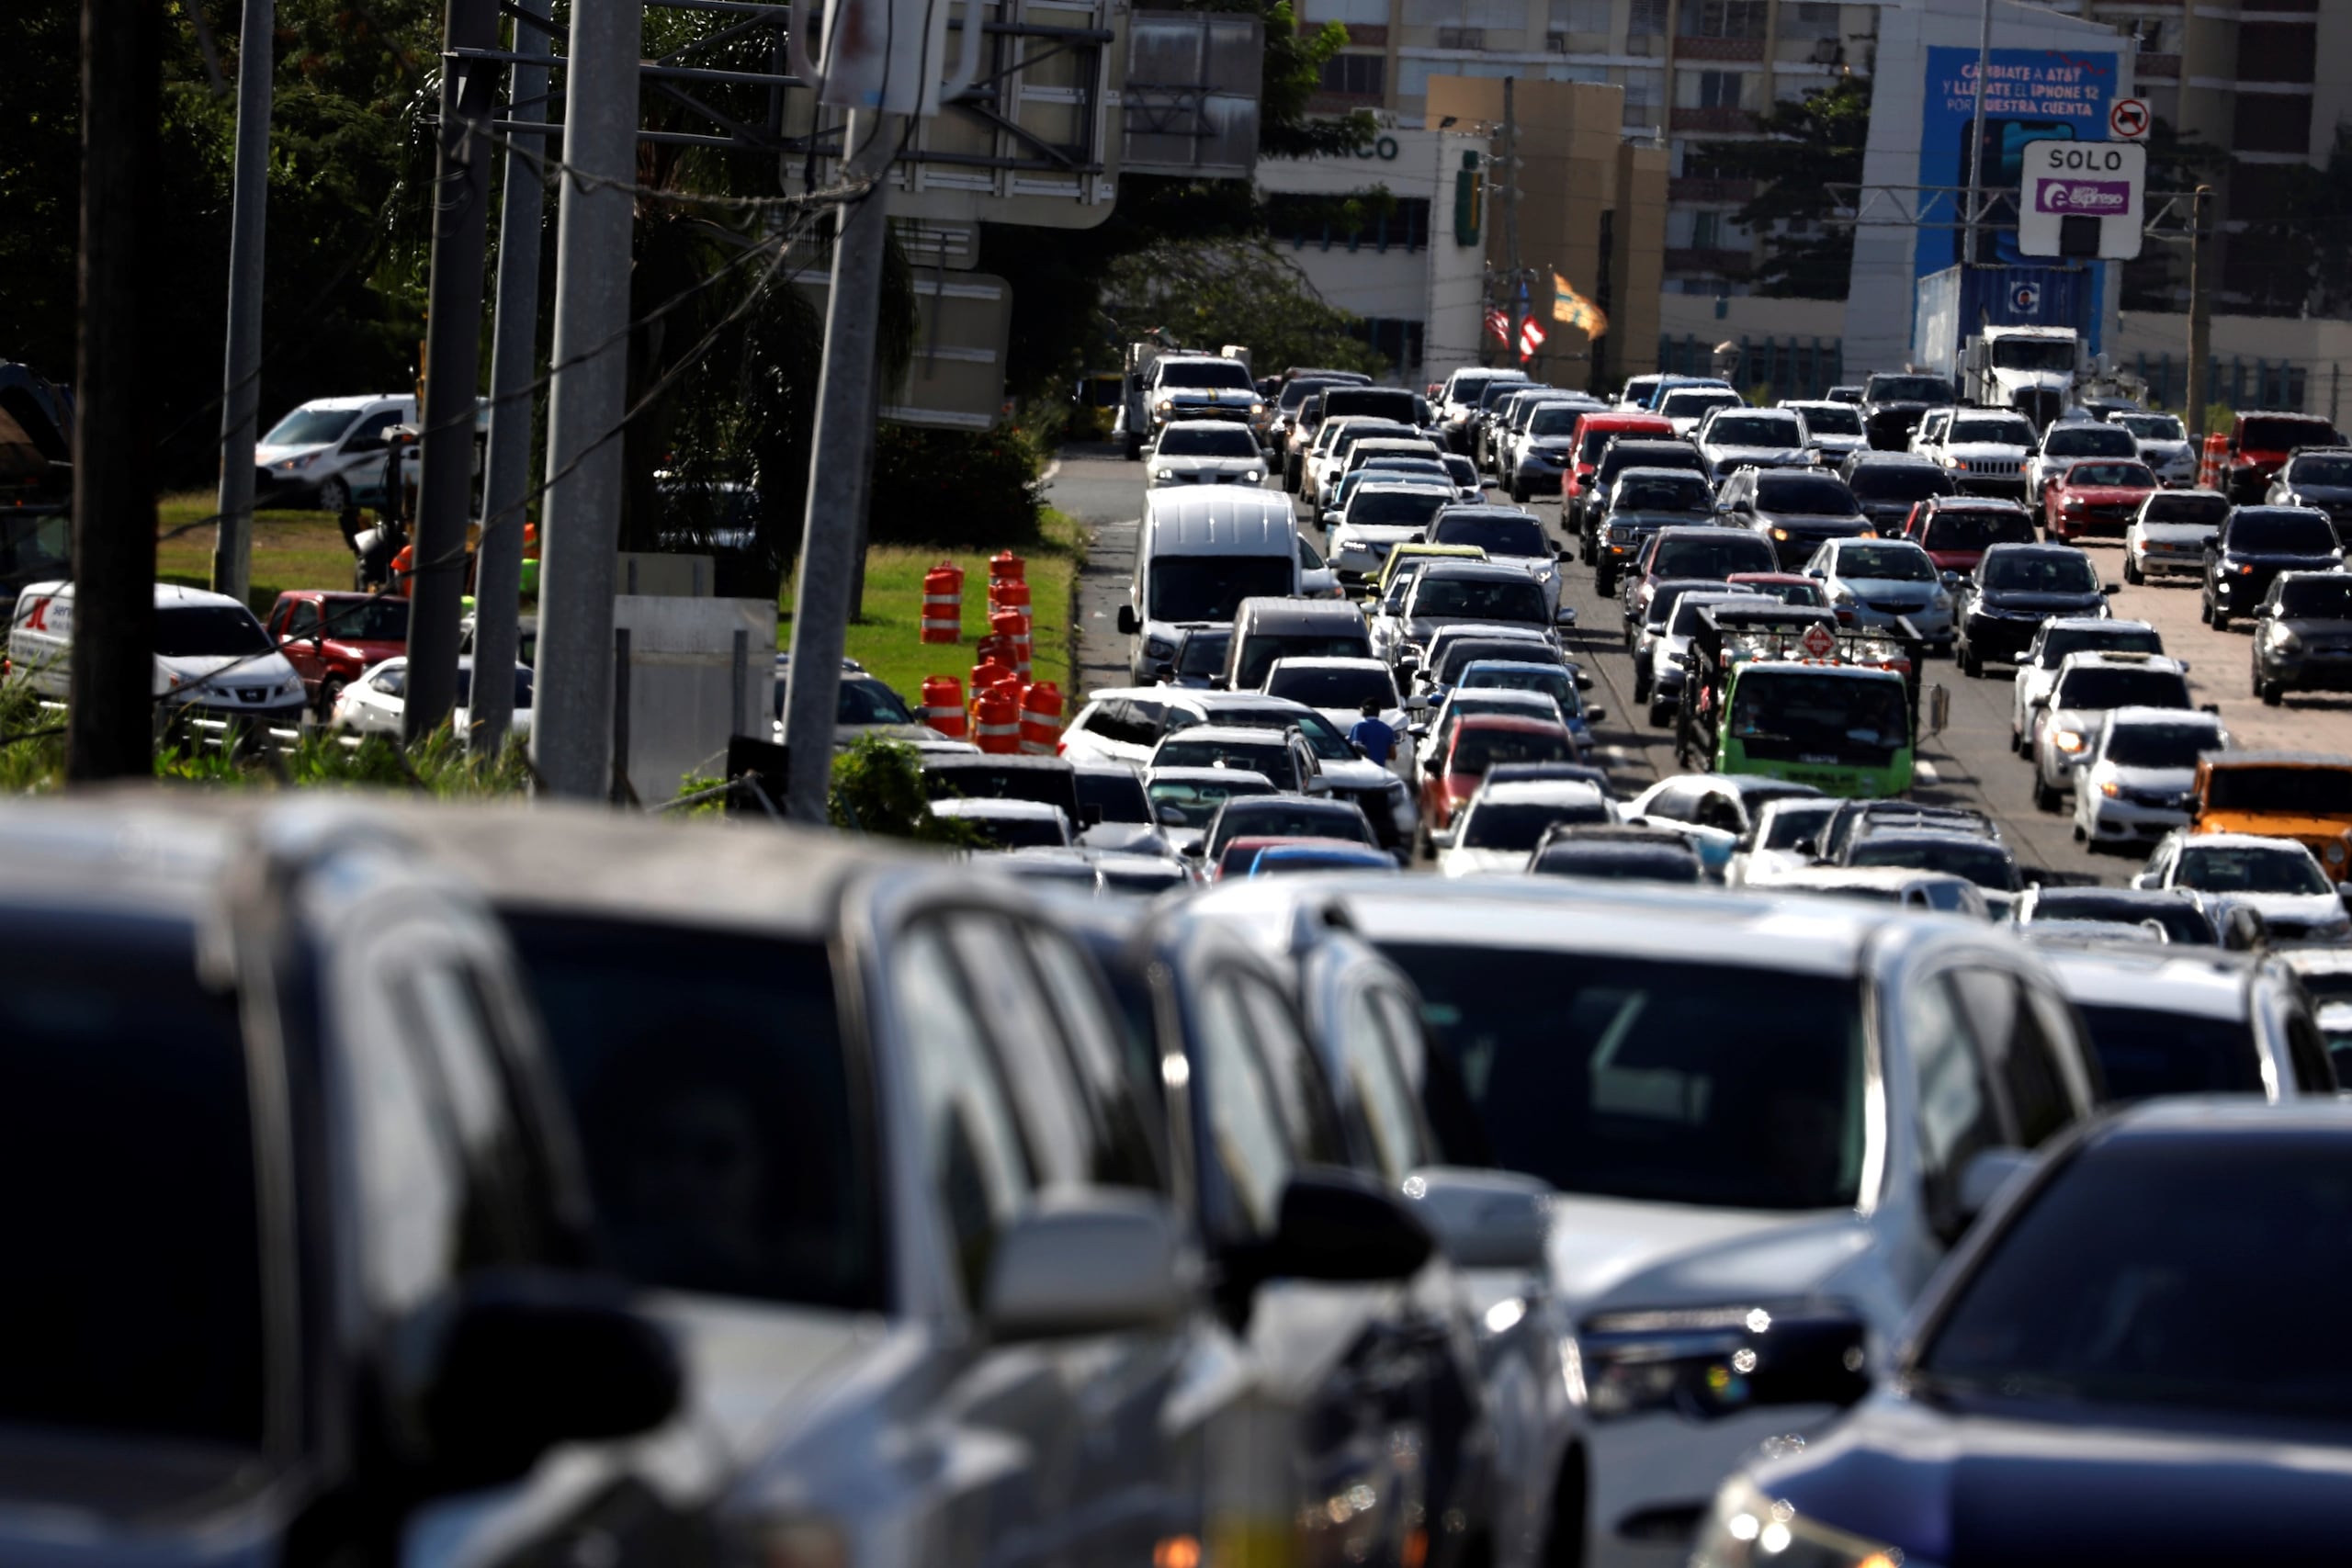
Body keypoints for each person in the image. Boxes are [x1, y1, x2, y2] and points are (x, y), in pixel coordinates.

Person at [1349, 698, 1397, 766]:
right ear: (1379, 711)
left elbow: (1353, 750)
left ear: (1363, 710)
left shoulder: (1359, 727)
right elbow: (1393, 756)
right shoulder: (1388, 730)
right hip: (1380, 769)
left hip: (1362, 768)